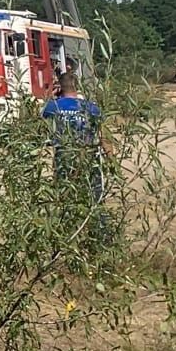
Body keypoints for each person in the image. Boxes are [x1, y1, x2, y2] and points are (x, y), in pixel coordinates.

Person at [42, 71, 110, 239]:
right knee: (95, 197)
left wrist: (49, 97)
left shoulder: (53, 107)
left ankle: (68, 235)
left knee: (65, 197)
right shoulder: (91, 108)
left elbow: (37, 121)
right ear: (78, 86)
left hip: (64, 157)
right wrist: (112, 161)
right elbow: (104, 138)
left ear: (59, 87)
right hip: (88, 157)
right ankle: (100, 234)